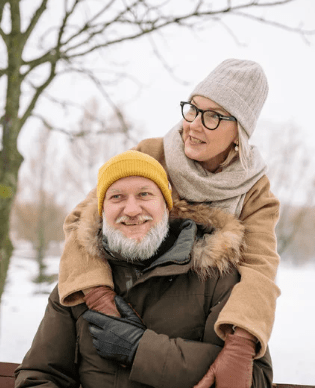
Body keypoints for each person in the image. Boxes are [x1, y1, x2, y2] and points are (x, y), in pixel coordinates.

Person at [58, 58, 281, 387]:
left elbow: (260, 269)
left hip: (198, 321)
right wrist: (99, 296)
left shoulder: (254, 193)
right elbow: (82, 221)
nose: (194, 124)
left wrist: (240, 343)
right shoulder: (151, 155)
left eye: (213, 117)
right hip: (130, 303)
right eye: (192, 109)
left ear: (240, 132)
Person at [15, 151, 273, 388]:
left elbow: (255, 379)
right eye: (116, 197)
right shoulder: (79, 283)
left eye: (144, 195)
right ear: (102, 211)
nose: (131, 210)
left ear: (167, 205)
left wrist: (141, 349)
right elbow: (39, 377)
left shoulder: (216, 277)